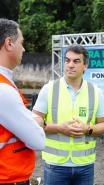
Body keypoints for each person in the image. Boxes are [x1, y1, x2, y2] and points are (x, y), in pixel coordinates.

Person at [33, 44, 104, 185]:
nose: (70, 65)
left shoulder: (96, 92)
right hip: (55, 165)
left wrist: (87, 129)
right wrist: (59, 128)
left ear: (85, 66)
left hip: (85, 165)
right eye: (67, 61)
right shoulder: (49, 89)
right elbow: (34, 121)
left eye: (76, 61)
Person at [0, 18, 45, 185]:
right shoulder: (3, 89)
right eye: (22, 42)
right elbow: (38, 141)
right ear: (9, 43)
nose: (24, 48)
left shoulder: (6, 83)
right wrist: (38, 121)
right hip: (9, 179)